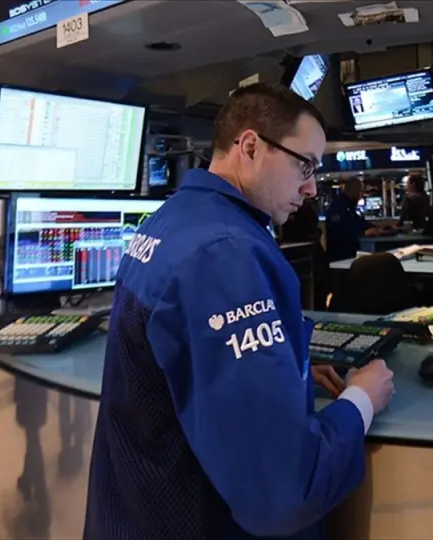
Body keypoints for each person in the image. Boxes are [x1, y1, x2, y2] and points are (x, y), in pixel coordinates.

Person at [84, 82, 395, 540]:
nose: (311, 187)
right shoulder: (225, 251)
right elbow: (283, 487)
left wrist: (285, 370)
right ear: (250, 147)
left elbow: (190, 361)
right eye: (305, 165)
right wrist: (362, 400)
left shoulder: (172, 220)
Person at [324, 178, 390, 262]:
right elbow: (339, 234)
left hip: (349, 253)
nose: (362, 195)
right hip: (340, 256)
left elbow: (360, 222)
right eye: (361, 191)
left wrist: (378, 229)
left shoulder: (350, 206)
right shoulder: (339, 207)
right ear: (354, 190)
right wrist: (364, 233)